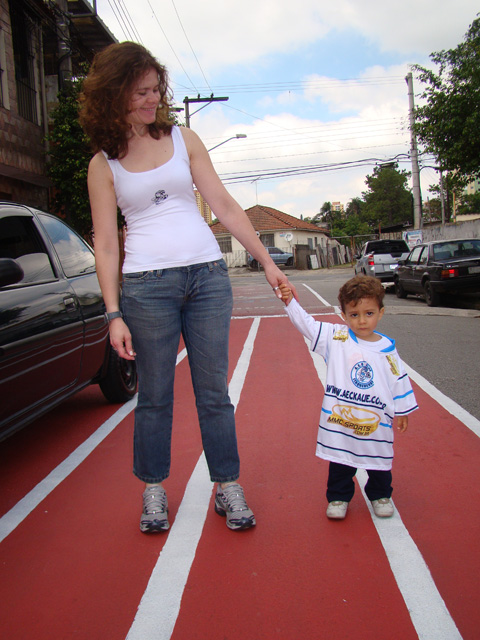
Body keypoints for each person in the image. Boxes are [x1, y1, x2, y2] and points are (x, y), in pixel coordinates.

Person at [79, 41, 297, 533]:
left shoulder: (185, 139)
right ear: (115, 95)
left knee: (213, 392)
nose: (152, 99)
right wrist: (113, 314)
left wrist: (267, 262)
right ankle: (153, 489)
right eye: (140, 92)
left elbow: (224, 205)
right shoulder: (103, 165)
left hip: (207, 278)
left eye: (156, 89)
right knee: (154, 395)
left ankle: (228, 484)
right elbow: (107, 245)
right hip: (146, 287)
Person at [278, 275, 418, 519]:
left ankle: (380, 495)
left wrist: (403, 410)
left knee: (379, 459)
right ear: (343, 315)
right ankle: (338, 497)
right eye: (354, 314)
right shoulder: (336, 338)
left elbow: (399, 379)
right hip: (341, 422)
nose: (362, 321)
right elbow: (307, 325)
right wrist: (290, 302)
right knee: (340, 459)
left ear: (381, 313)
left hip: (376, 421)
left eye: (369, 313)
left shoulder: (387, 348)